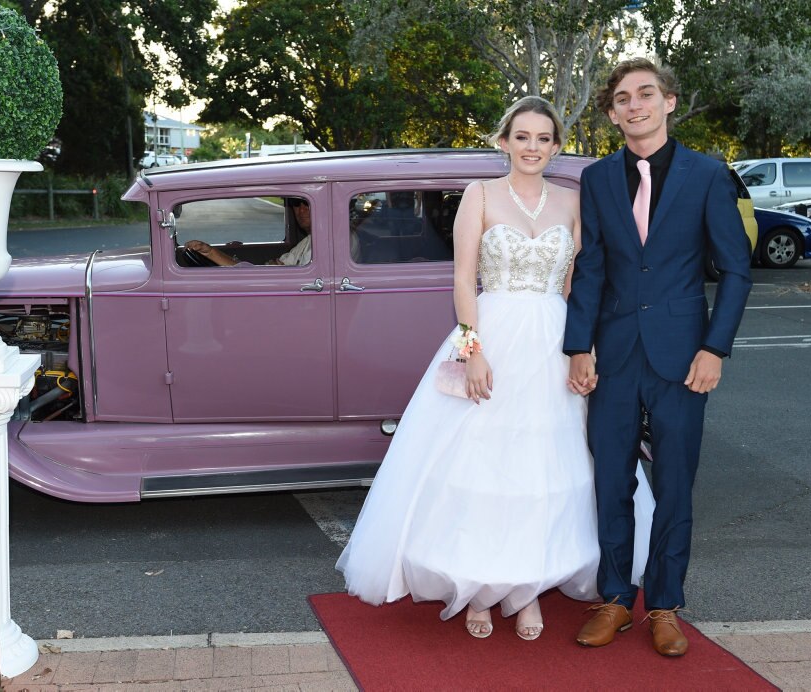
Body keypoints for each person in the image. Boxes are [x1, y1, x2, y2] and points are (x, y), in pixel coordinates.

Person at [336, 96, 654, 641]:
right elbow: (463, 280)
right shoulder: (478, 195)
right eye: (522, 136)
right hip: (494, 337)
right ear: (503, 141)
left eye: (544, 139)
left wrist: (587, 348)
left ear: (555, 147)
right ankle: (479, 589)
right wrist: (473, 350)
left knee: (544, 471)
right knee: (482, 469)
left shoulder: (573, 200)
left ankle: (526, 590)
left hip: (556, 342)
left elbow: (581, 282)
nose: (533, 147)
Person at [564, 58, 752, 657]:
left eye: (645, 94)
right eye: (622, 98)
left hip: (683, 358)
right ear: (613, 111)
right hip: (614, 356)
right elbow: (590, 268)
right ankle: (615, 599)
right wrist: (577, 346)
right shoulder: (595, 180)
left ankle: (665, 606)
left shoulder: (707, 175)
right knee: (610, 482)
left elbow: (736, 269)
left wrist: (714, 347)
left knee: (674, 485)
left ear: (669, 102)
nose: (634, 105)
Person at [184, 198, 320, 266]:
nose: (301, 210)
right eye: (296, 203)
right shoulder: (307, 242)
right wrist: (210, 253)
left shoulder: (323, 246)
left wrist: (211, 253)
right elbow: (273, 270)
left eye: (307, 203)